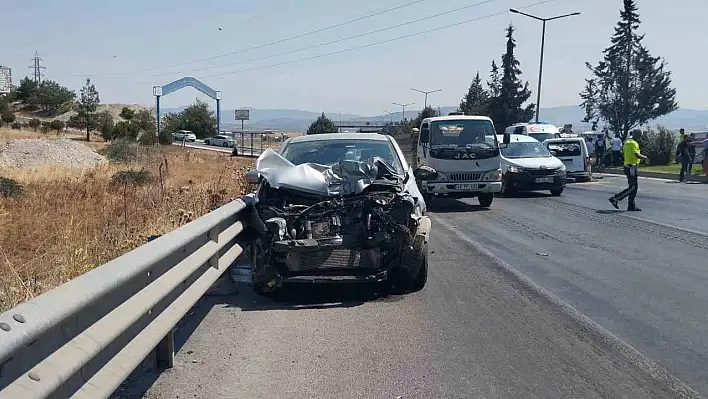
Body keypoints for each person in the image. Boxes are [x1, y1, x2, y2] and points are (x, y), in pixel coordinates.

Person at [609, 130, 649, 211]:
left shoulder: (626, 142)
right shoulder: (633, 143)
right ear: (638, 136)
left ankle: (631, 205)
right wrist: (645, 157)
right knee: (633, 187)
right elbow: (636, 154)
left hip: (627, 166)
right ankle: (616, 198)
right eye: (640, 136)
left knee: (634, 186)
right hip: (631, 167)